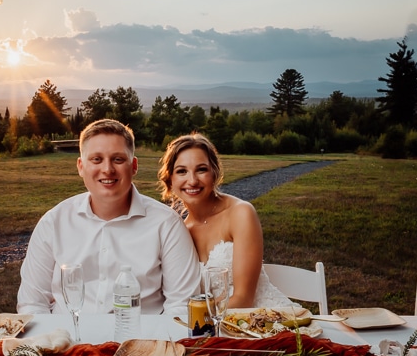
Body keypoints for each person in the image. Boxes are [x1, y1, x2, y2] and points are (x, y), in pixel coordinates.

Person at [17, 119, 201, 315]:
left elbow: (181, 306)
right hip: (67, 341)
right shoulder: (53, 223)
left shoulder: (166, 224)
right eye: (96, 159)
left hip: (141, 341)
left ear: (134, 166)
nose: (107, 169)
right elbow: (32, 303)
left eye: (118, 159)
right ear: (81, 166)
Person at [157, 133, 292, 309]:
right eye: (182, 171)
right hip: (212, 328)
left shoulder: (240, 213)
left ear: (214, 172)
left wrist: (201, 320)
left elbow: (244, 299)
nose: (192, 180)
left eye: (201, 169)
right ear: (170, 179)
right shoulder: (181, 230)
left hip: (262, 318)